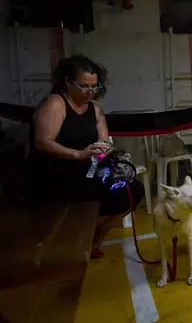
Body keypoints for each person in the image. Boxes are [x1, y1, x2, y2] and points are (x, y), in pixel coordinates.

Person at [26, 55, 145, 259]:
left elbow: (105, 141)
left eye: (94, 86)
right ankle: (73, 240)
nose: (90, 91)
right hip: (53, 174)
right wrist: (78, 154)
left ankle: (97, 236)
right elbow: (42, 142)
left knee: (133, 190)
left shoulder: (95, 109)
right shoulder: (56, 103)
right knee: (85, 194)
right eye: (83, 86)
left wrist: (107, 152)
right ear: (67, 82)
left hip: (85, 171)